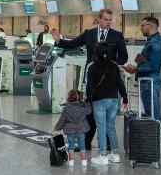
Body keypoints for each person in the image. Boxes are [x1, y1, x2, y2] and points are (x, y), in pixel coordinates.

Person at [52, 9, 128, 151]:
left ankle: (108, 147)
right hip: (91, 77)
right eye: (106, 19)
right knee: (89, 110)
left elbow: (124, 57)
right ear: (99, 19)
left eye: (110, 20)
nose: (108, 22)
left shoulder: (117, 36)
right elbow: (72, 44)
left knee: (105, 115)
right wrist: (59, 41)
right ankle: (86, 144)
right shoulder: (89, 34)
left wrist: (109, 62)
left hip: (108, 79)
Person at [86, 42, 128, 165]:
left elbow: (90, 87)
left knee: (101, 127)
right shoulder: (114, 66)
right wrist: (125, 98)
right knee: (111, 127)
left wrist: (88, 100)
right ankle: (115, 155)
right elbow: (120, 83)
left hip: (99, 100)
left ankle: (103, 155)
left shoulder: (92, 67)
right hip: (114, 100)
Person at [123, 17, 161, 120]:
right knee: (152, 112)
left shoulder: (155, 43)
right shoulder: (154, 41)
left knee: (152, 113)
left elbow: (154, 65)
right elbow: (148, 60)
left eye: (143, 25)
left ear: (150, 26)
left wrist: (135, 69)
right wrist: (138, 64)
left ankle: (155, 135)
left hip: (150, 82)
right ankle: (155, 134)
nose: (141, 28)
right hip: (151, 81)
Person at [53, 89, 91, 168]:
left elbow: (62, 120)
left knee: (71, 146)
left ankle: (71, 161)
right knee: (82, 145)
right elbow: (89, 111)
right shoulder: (82, 107)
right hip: (81, 129)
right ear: (78, 98)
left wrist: (56, 128)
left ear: (68, 98)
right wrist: (86, 102)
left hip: (70, 131)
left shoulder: (66, 108)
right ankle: (83, 161)